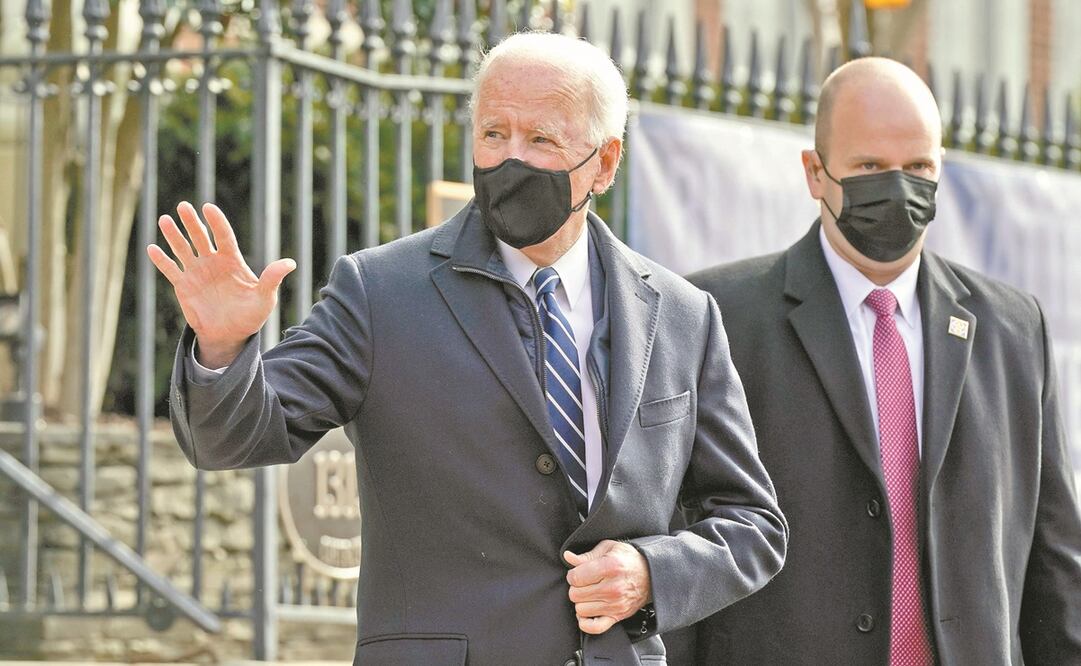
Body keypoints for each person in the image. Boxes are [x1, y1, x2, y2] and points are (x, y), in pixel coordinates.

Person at [149, 32, 787, 665]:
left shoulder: (682, 315)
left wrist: (652, 571)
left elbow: (753, 525)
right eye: (492, 134)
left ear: (605, 161)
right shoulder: (380, 291)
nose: (511, 159)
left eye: (540, 140)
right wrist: (224, 347)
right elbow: (232, 438)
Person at [689, 57, 1081, 664]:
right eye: (870, 167)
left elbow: (1056, 567)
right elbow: (687, 544)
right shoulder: (719, 317)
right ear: (814, 174)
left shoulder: (1013, 329)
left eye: (919, 167)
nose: (898, 189)